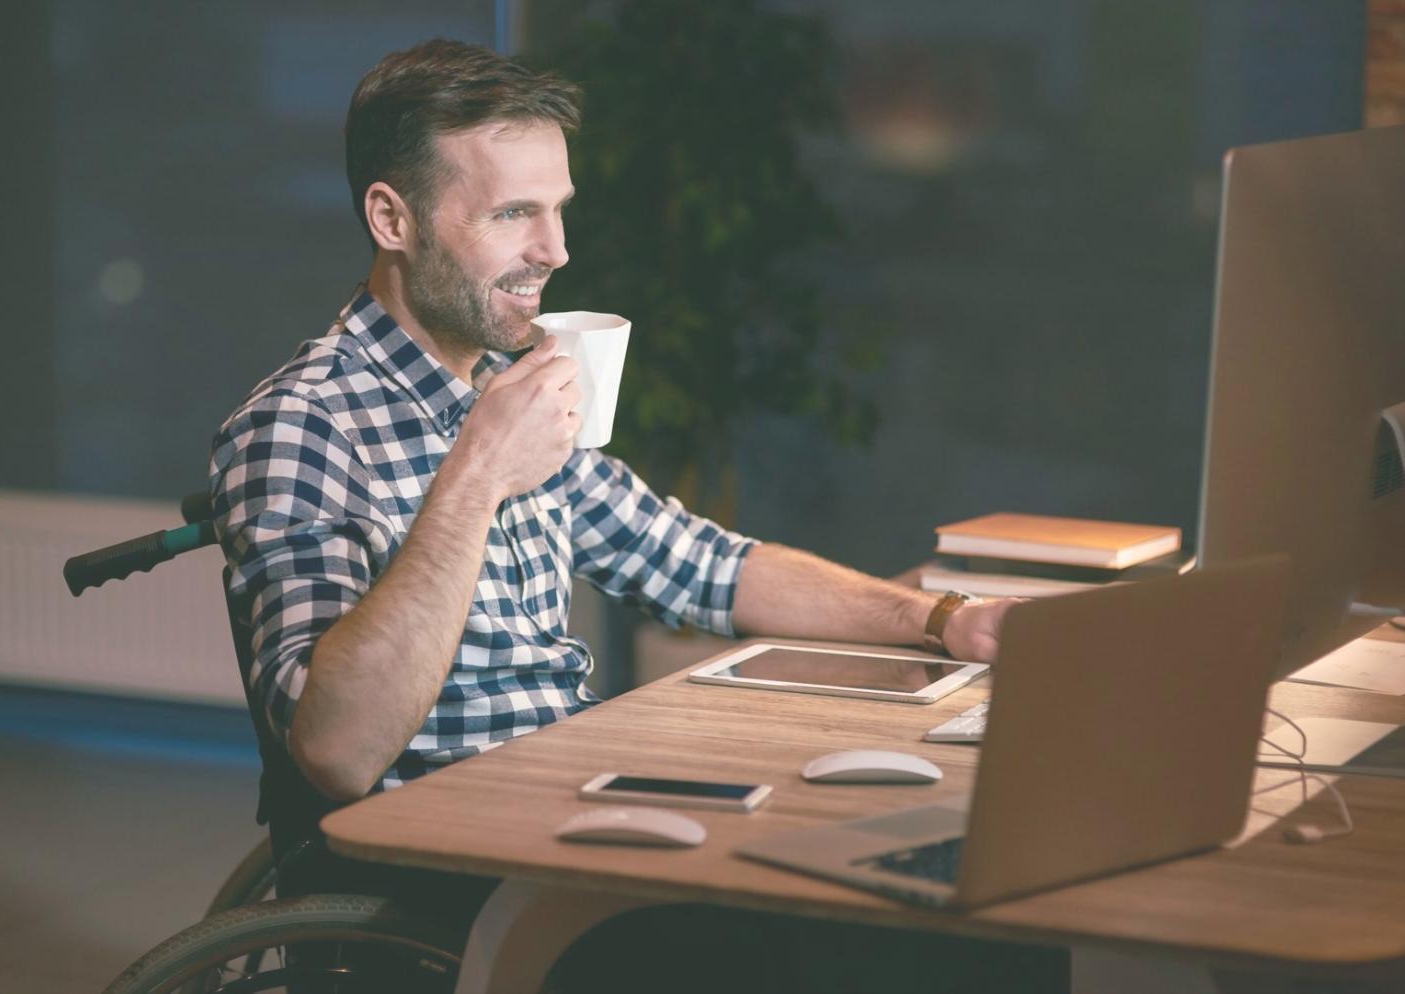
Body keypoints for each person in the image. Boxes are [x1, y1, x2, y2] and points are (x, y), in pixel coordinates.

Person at [209, 38, 1061, 993]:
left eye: (558, 211)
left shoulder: (510, 383)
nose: (556, 252)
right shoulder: (302, 428)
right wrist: (479, 470)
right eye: (512, 214)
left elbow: (704, 565)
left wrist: (942, 621)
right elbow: (336, 750)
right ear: (390, 218)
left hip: (566, 817)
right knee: (891, 954)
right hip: (449, 876)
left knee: (949, 901)